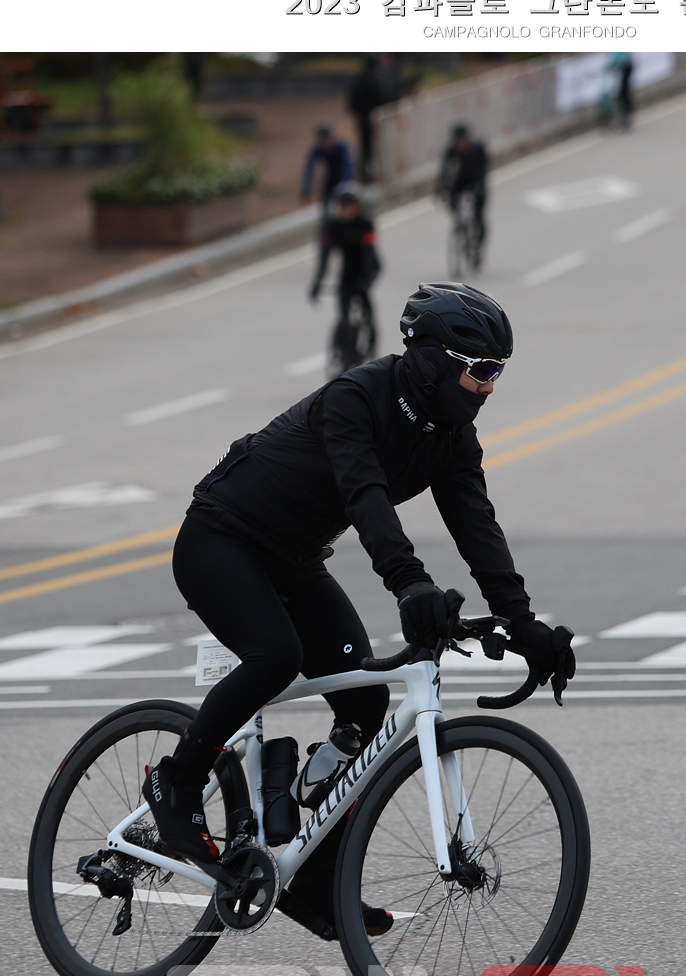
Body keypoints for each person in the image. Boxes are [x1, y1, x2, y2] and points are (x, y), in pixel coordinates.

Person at [143, 281, 578, 942]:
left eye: (499, 372)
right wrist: (410, 584)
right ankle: (176, 780)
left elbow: (477, 527)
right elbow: (364, 496)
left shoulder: (451, 436)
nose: (490, 387)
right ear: (433, 361)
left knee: (366, 706)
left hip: (294, 560)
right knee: (276, 656)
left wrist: (523, 624)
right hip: (221, 540)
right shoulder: (355, 399)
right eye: (481, 370)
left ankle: (317, 875)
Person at [309, 181, 380, 366]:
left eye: (350, 204)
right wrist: (316, 283)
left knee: (368, 316)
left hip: (365, 273)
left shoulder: (365, 224)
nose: (345, 209)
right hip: (346, 277)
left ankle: (371, 350)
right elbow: (324, 259)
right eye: (342, 204)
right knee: (344, 318)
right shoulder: (332, 227)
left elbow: (371, 257)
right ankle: (342, 352)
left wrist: (366, 281)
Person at [435, 122, 489, 251]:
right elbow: (443, 172)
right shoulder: (451, 151)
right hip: (460, 182)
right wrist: (438, 190)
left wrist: (480, 186)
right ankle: (461, 225)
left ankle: (477, 245)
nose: (460, 146)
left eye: (463, 142)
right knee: (452, 200)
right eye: (457, 142)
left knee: (478, 215)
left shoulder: (478, 149)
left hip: (476, 181)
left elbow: (484, 169)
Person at [347, 57, 388, 183]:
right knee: (378, 148)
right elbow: (382, 98)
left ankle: (366, 176)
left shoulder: (358, 79)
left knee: (366, 148)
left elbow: (351, 101)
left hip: (362, 119)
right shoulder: (375, 79)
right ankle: (374, 176)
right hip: (374, 121)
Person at [300, 122, 353, 213]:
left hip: (344, 177)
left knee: (346, 202)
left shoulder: (342, 148)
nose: (325, 143)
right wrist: (307, 187)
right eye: (322, 140)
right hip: (331, 177)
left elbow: (348, 166)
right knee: (325, 201)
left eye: (326, 139)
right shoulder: (317, 149)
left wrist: (345, 184)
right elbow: (309, 168)